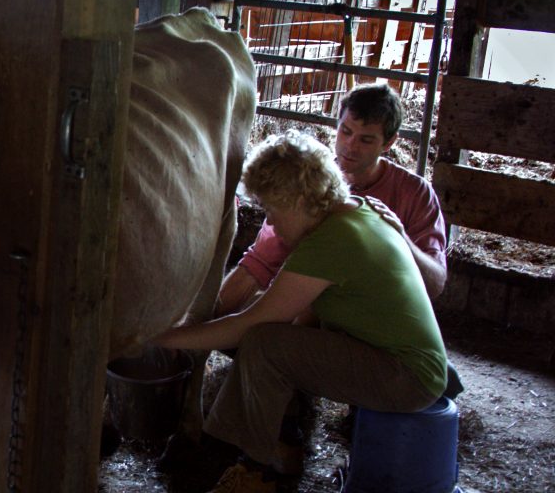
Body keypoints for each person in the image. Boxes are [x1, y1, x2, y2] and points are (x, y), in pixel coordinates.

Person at [153, 131, 449, 493]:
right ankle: (243, 451)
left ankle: (255, 472)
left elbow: (251, 325)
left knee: (265, 344)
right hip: (404, 362)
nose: (272, 225)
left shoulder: (330, 242)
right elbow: (298, 316)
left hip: (407, 378)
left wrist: (165, 337)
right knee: (274, 340)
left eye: (271, 211)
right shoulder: (356, 213)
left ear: (296, 200)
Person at [217, 83, 448, 318]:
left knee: (258, 335)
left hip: (374, 318)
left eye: (366, 140)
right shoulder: (310, 179)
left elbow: (435, 283)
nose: (351, 146)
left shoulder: (415, 193)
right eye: (346, 131)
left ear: (389, 143)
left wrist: (401, 240)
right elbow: (260, 262)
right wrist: (204, 319)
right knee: (246, 321)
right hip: (313, 306)